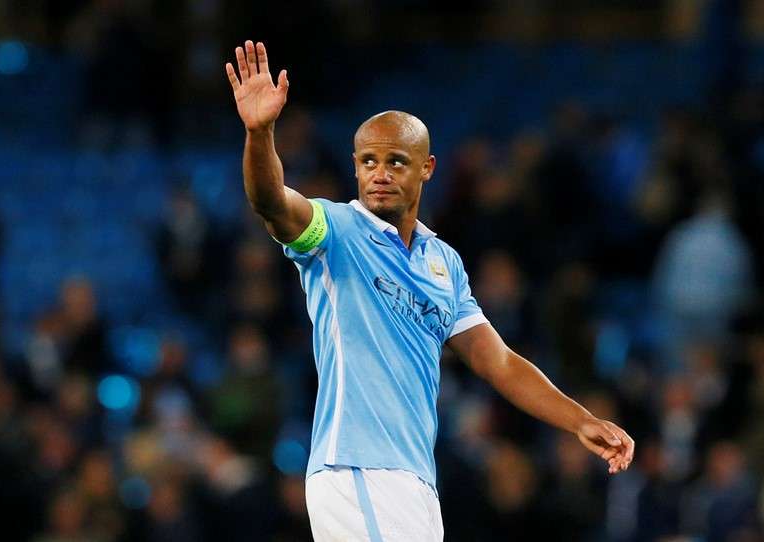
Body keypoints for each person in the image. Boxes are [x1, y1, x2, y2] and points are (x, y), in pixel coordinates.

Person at [225, 40, 635, 541]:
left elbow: (497, 361)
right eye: (368, 161)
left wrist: (579, 420)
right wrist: (260, 132)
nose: (379, 173)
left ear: (427, 168)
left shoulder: (444, 263)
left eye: (396, 161)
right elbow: (271, 203)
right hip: (356, 469)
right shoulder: (335, 232)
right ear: (354, 167)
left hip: (416, 481)